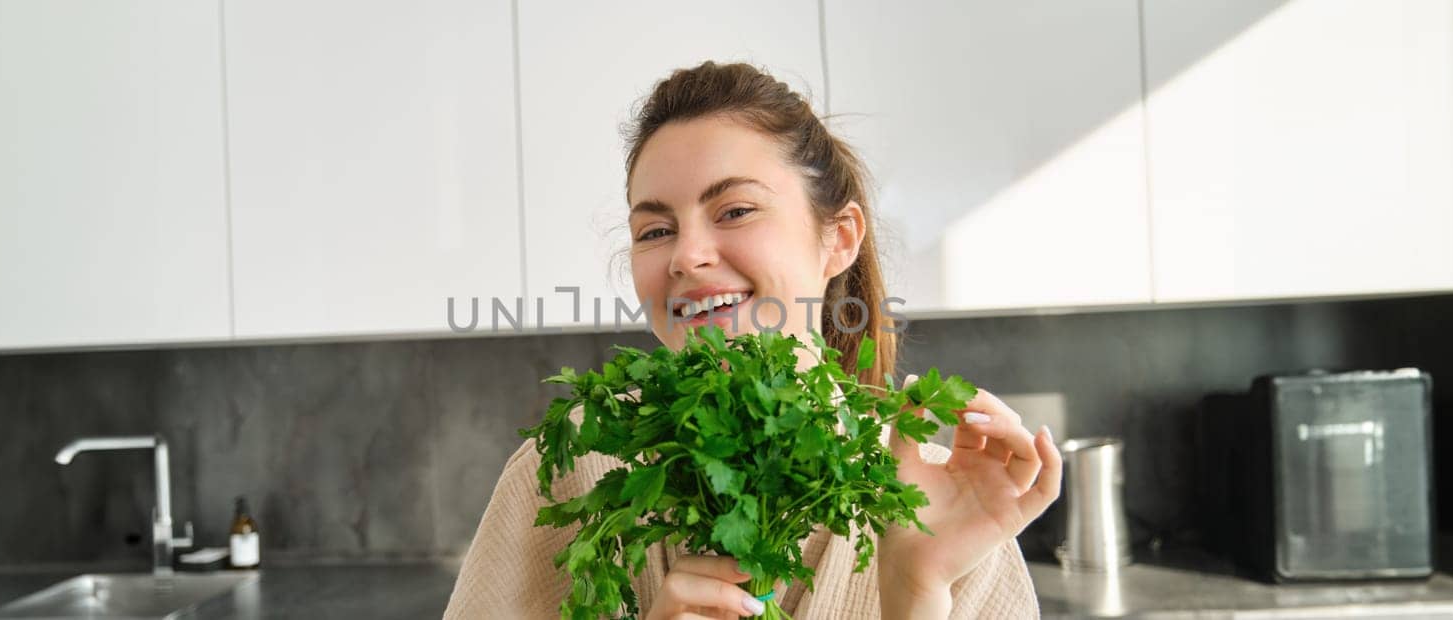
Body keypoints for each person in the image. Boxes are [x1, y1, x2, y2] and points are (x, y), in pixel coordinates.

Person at [446, 61, 1061, 619]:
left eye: (735, 211)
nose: (687, 256)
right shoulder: (576, 465)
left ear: (839, 238)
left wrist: (916, 590)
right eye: (655, 230)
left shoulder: (941, 502)